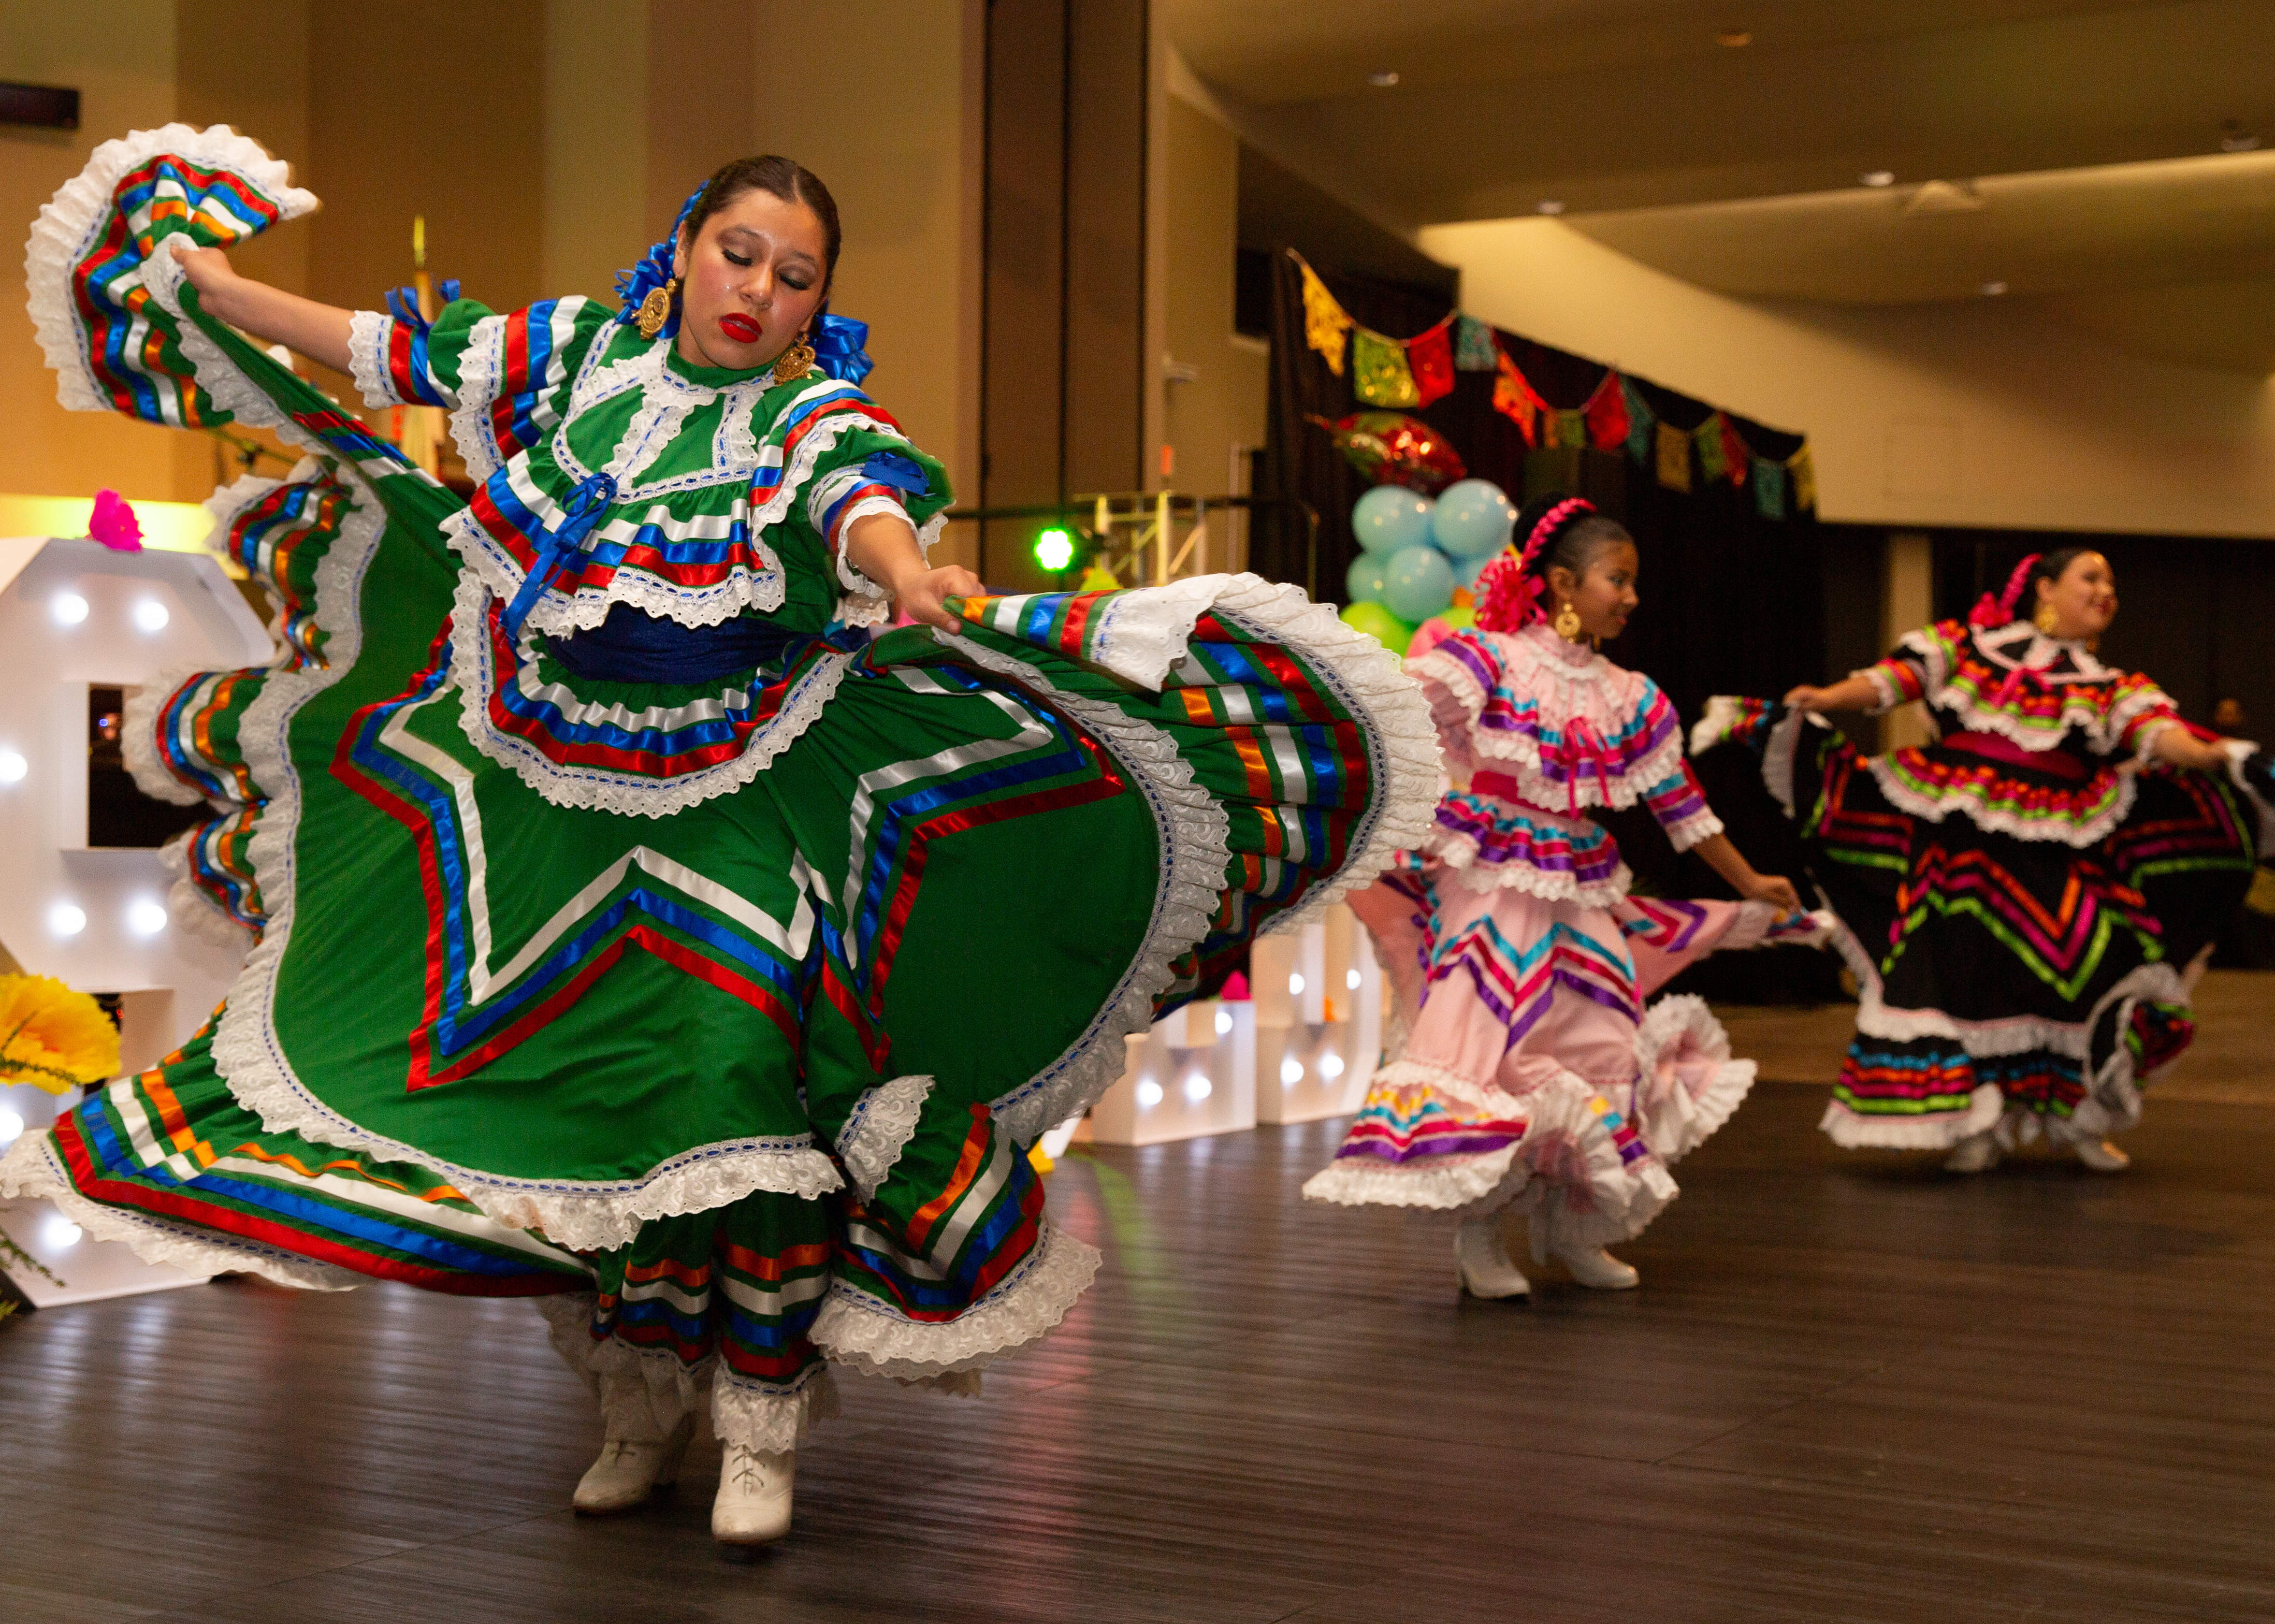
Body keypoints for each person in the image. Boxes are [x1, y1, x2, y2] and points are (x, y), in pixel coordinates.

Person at [2, 125, 1436, 1543]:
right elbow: (385, 351)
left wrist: (903, 575)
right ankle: (637, 1404)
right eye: (738, 252)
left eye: (797, 274)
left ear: (822, 300)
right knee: (591, 1111)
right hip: (544, 787)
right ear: (685, 248)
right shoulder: (572, 357)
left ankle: (759, 1425)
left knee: (742, 1074)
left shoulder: (803, 417)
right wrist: (204, 286)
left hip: (746, 783)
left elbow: (860, 502)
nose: (758, 288)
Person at [1696, 547, 2275, 1172]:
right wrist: (1825, 697)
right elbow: (1891, 683)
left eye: (2113, 586)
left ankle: (2078, 1121)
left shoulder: (2113, 686)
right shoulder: (1970, 648)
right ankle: (1978, 1124)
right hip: (1960, 848)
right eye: (2090, 577)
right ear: (2044, 587)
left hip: (2060, 852)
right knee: (1962, 975)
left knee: (2089, 969)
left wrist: (2213, 754)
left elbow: (2162, 737)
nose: (2105, 592)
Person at [1303, 496, 1816, 1299]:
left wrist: (1751, 881)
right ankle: (1480, 1236)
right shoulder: (1490, 662)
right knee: (1491, 1045)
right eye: (1620, 579)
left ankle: (1573, 1227)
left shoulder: (1631, 695)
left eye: (1634, 581)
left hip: (1577, 877)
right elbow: (1397, 718)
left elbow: (1681, 807)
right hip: (1494, 871)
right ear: (1565, 584)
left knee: (1602, 1038)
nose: (1633, 596)